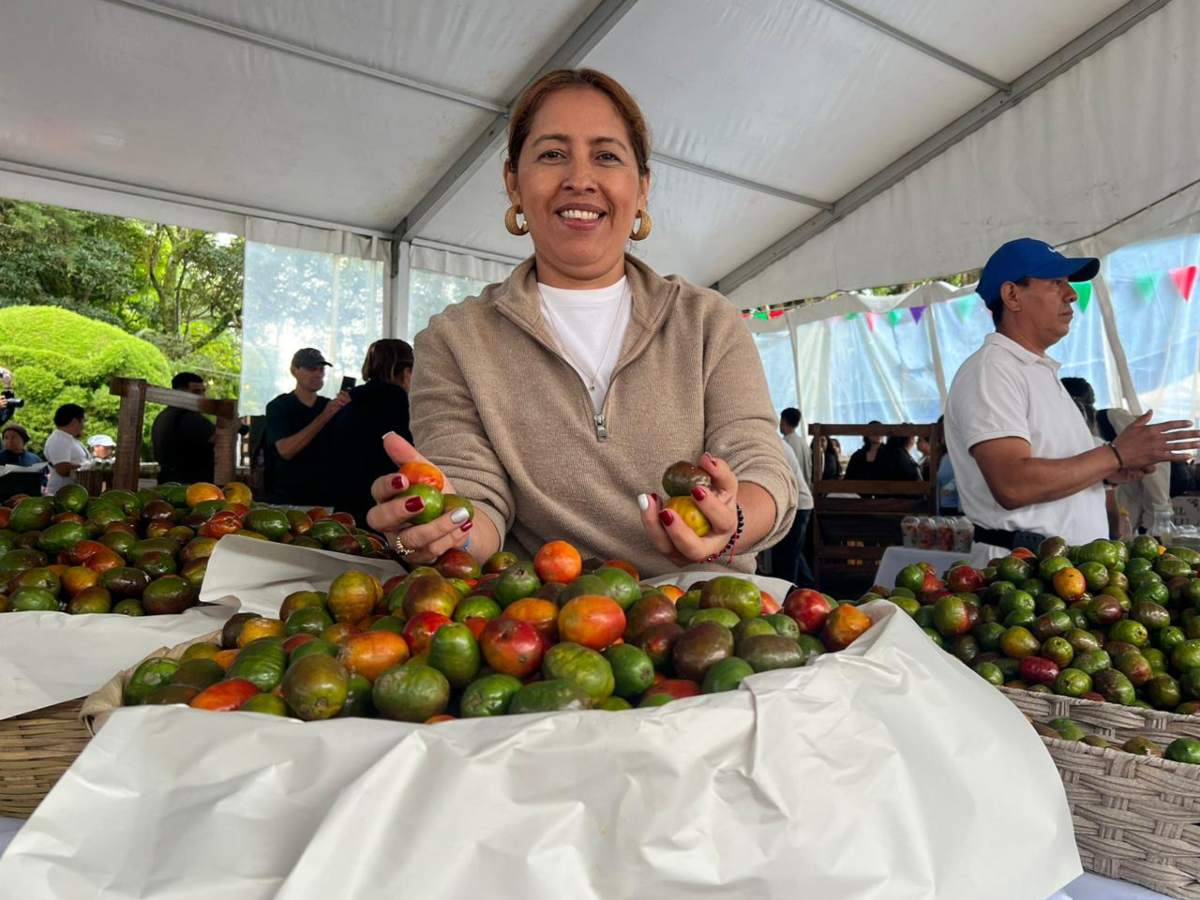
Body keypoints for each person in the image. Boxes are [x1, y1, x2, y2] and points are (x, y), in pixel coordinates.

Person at [365, 68, 796, 576]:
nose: (580, 179)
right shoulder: (456, 340)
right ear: (513, 183)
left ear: (642, 188)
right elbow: (476, 502)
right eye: (551, 154)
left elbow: (761, 463)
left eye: (607, 156)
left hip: (712, 625)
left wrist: (733, 520)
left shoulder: (706, 322)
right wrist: (443, 526)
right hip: (546, 630)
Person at [945, 237, 1200, 550]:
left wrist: (1111, 469)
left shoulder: (1037, 371)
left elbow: (1050, 467)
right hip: (1022, 575)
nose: (1071, 295)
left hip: (1059, 573)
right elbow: (1012, 484)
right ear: (1012, 295)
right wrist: (1115, 454)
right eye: (1056, 283)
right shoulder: (992, 370)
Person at [333, 339, 415, 524]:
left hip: (346, 500)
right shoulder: (399, 401)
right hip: (384, 502)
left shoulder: (349, 399)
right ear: (407, 371)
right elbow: (410, 453)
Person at [264, 348, 349, 506]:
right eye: (311, 368)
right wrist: (324, 417)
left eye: (321, 369)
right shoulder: (279, 406)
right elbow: (286, 450)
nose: (318, 374)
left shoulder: (330, 406)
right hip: (288, 497)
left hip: (327, 496)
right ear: (294, 370)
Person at [1096, 406, 1172, 535]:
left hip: (1139, 483)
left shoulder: (1110, 418)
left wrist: (1157, 519)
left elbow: (1153, 467)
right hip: (1121, 488)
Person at [153, 372, 216, 485]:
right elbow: (221, 440)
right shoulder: (189, 417)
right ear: (180, 393)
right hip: (190, 487)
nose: (202, 397)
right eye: (196, 392)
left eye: (203, 392)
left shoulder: (164, 415)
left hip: (170, 482)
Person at [43, 403, 89, 494]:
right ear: (75, 421)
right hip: (64, 495)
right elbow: (62, 469)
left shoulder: (68, 439)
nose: (84, 425)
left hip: (74, 493)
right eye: (83, 421)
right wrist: (91, 468)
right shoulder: (59, 439)